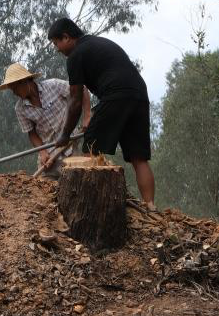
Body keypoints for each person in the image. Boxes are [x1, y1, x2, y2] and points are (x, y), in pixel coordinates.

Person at [48, 16, 155, 208]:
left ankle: (88, 204)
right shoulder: (98, 43)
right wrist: (96, 114)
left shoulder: (75, 55)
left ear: (66, 37)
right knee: (139, 157)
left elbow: (75, 100)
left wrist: (65, 135)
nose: (57, 49)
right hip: (138, 94)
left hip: (116, 95)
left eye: (57, 43)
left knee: (91, 148)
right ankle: (150, 205)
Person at [0, 62, 90, 176]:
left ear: (25, 82)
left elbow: (82, 90)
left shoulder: (54, 85)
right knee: (43, 188)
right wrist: (42, 152)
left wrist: (87, 116)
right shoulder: (20, 108)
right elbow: (31, 133)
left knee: (75, 183)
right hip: (48, 153)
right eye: (12, 89)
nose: (14, 93)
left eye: (15, 88)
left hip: (70, 146)